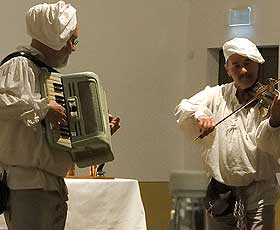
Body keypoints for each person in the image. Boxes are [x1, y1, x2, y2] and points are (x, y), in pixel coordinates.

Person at [0, 1, 119, 229]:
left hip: (51, 183)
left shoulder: (47, 75)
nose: (73, 48)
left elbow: (52, 134)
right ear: (55, 38)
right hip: (26, 184)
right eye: (71, 40)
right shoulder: (19, 65)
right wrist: (42, 107)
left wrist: (100, 128)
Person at [174, 37, 280, 230]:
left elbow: (270, 144)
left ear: (258, 65)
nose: (244, 71)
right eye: (237, 65)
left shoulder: (270, 100)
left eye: (248, 64)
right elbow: (184, 107)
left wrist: (275, 120)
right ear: (228, 69)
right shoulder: (216, 95)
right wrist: (200, 114)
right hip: (221, 194)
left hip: (260, 194)